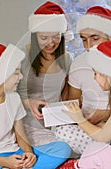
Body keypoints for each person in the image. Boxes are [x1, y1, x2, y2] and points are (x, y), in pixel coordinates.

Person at [0, 43, 71, 169]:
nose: (21, 77)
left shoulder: (14, 98)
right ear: (1, 75)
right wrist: (4, 162)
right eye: (16, 73)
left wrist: (29, 153)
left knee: (62, 148)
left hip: (15, 153)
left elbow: (21, 135)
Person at [17, 1, 73, 146]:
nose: (50, 43)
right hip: (23, 122)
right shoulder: (23, 56)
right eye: (44, 38)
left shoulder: (67, 59)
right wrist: (30, 103)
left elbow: (66, 93)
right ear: (35, 36)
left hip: (52, 123)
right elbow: (9, 95)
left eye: (56, 36)